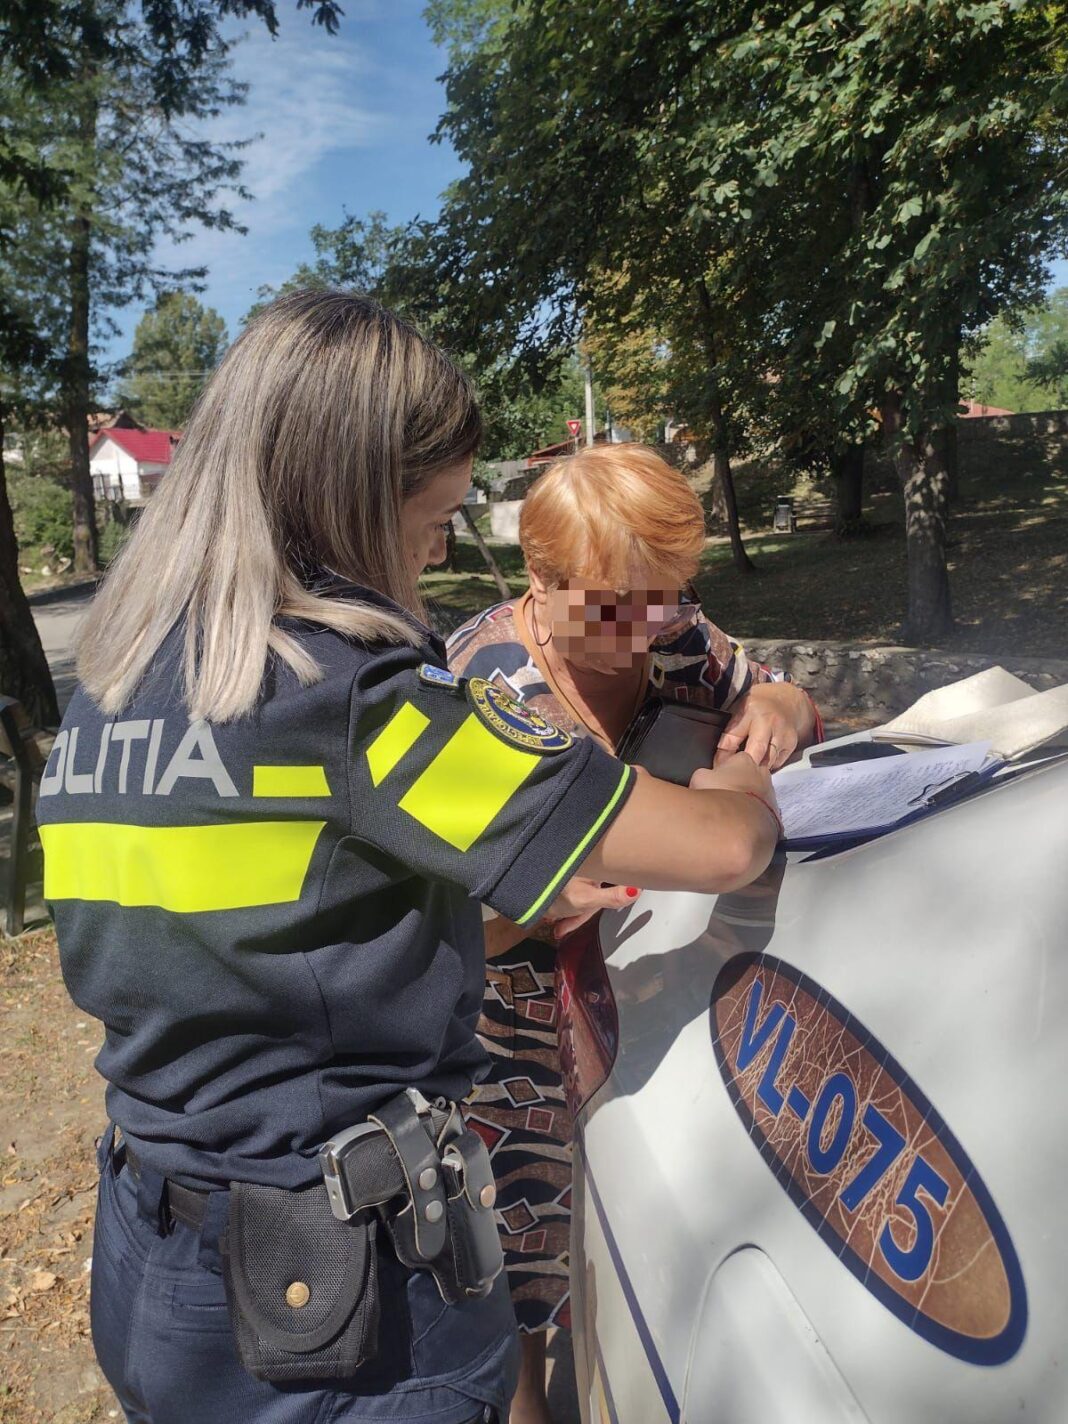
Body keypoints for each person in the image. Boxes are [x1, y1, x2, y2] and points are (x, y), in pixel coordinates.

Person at [36, 294, 781, 1424]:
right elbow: (722, 845)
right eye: (432, 517)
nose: (439, 551)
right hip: (332, 1294)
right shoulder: (364, 703)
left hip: (151, 1247)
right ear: (348, 497)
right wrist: (741, 768)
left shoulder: (113, 689)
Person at [446, 442, 820, 1424]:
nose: (647, 630)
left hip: (651, 994)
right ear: (541, 579)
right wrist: (536, 898)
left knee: (639, 1228)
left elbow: (768, 687)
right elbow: (447, 918)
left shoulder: (668, 623)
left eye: (670, 597)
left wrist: (781, 702)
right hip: (508, 1025)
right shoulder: (480, 690)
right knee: (520, 1258)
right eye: (617, 606)